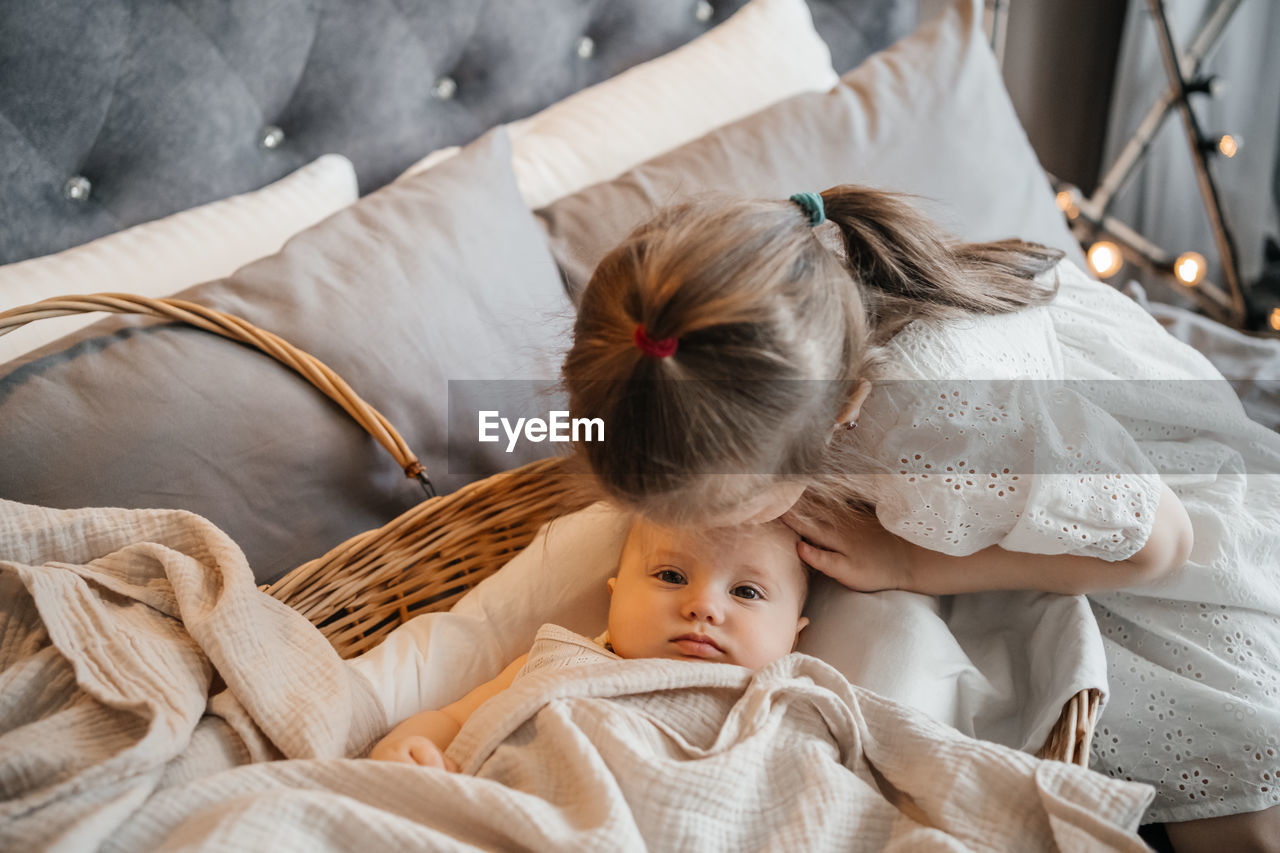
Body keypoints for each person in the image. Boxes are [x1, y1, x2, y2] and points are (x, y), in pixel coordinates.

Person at [560, 186, 1280, 852]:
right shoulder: (771, 330)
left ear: (841, 415)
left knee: (1229, 795)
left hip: (1173, 527)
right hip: (1028, 471)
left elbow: (1162, 543)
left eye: (725, 507)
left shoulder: (934, 418)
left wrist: (913, 564)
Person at [368, 516, 810, 769]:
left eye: (746, 592)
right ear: (614, 596)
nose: (703, 607)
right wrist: (407, 746)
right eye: (671, 576)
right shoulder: (561, 658)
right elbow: (451, 718)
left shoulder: (788, 702)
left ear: (794, 636)